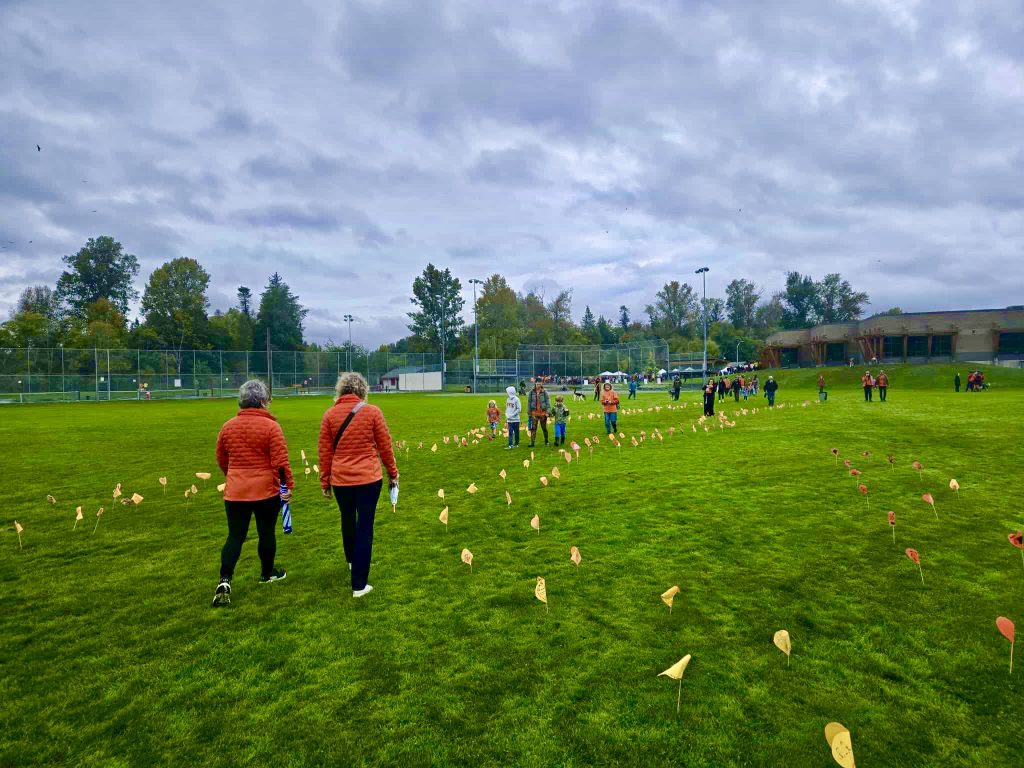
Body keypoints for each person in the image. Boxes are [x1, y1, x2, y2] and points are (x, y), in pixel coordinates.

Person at [212, 380, 293, 607]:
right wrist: (288, 488)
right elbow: (281, 463)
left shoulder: (227, 427)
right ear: (262, 401)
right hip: (265, 491)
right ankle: (267, 573)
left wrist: (233, 475)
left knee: (235, 536)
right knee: (266, 532)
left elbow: (221, 458)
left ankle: (225, 579)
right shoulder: (271, 427)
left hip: (236, 491)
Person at [318, 373, 399, 599]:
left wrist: (325, 480)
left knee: (347, 519)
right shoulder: (373, 412)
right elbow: (385, 446)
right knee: (365, 526)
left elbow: (325, 453)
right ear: (362, 389)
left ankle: (353, 563)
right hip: (368, 479)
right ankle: (359, 584)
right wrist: (393, 472)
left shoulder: (329, 415)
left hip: (341, 480)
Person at [528, 380, 551, 448]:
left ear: (541, 384)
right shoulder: (531, 392)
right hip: (534, 413)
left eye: (539, 384)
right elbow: (529, 402)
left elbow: (548, 402)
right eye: (537, 384)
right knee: (533, 428)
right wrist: (529, 411)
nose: (538, 385)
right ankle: (532, 442)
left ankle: (546, 441)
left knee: (544, 428)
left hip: (543, 413)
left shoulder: (544, 392)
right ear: (535, 384)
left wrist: (548, 412)